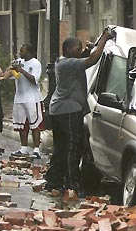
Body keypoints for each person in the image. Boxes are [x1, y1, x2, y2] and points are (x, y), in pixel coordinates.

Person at [45, 30, 113, 194]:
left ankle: (54, 180)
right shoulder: (68, 63)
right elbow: (92, 60)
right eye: (78, 49)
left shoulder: (64, 61)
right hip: (68, 110)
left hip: (60, 109)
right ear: (68, 49)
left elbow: (85, 57)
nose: (79, 51)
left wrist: (87, 50)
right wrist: (104, 38)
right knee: (72, 147)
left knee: (62, 147)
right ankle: (71, 184)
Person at [11, 43, 43, 159]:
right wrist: (12, 70)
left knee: (35, 124)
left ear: (30, 52)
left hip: (32, 98)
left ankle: (36, 149)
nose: (20, 53)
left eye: (22, 51)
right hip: (19, 97)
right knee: (21, 125)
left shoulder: (36, 63)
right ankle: (23, 148)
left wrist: (22, 70)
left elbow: (34, 80)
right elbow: (12, 76)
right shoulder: (19, 61)